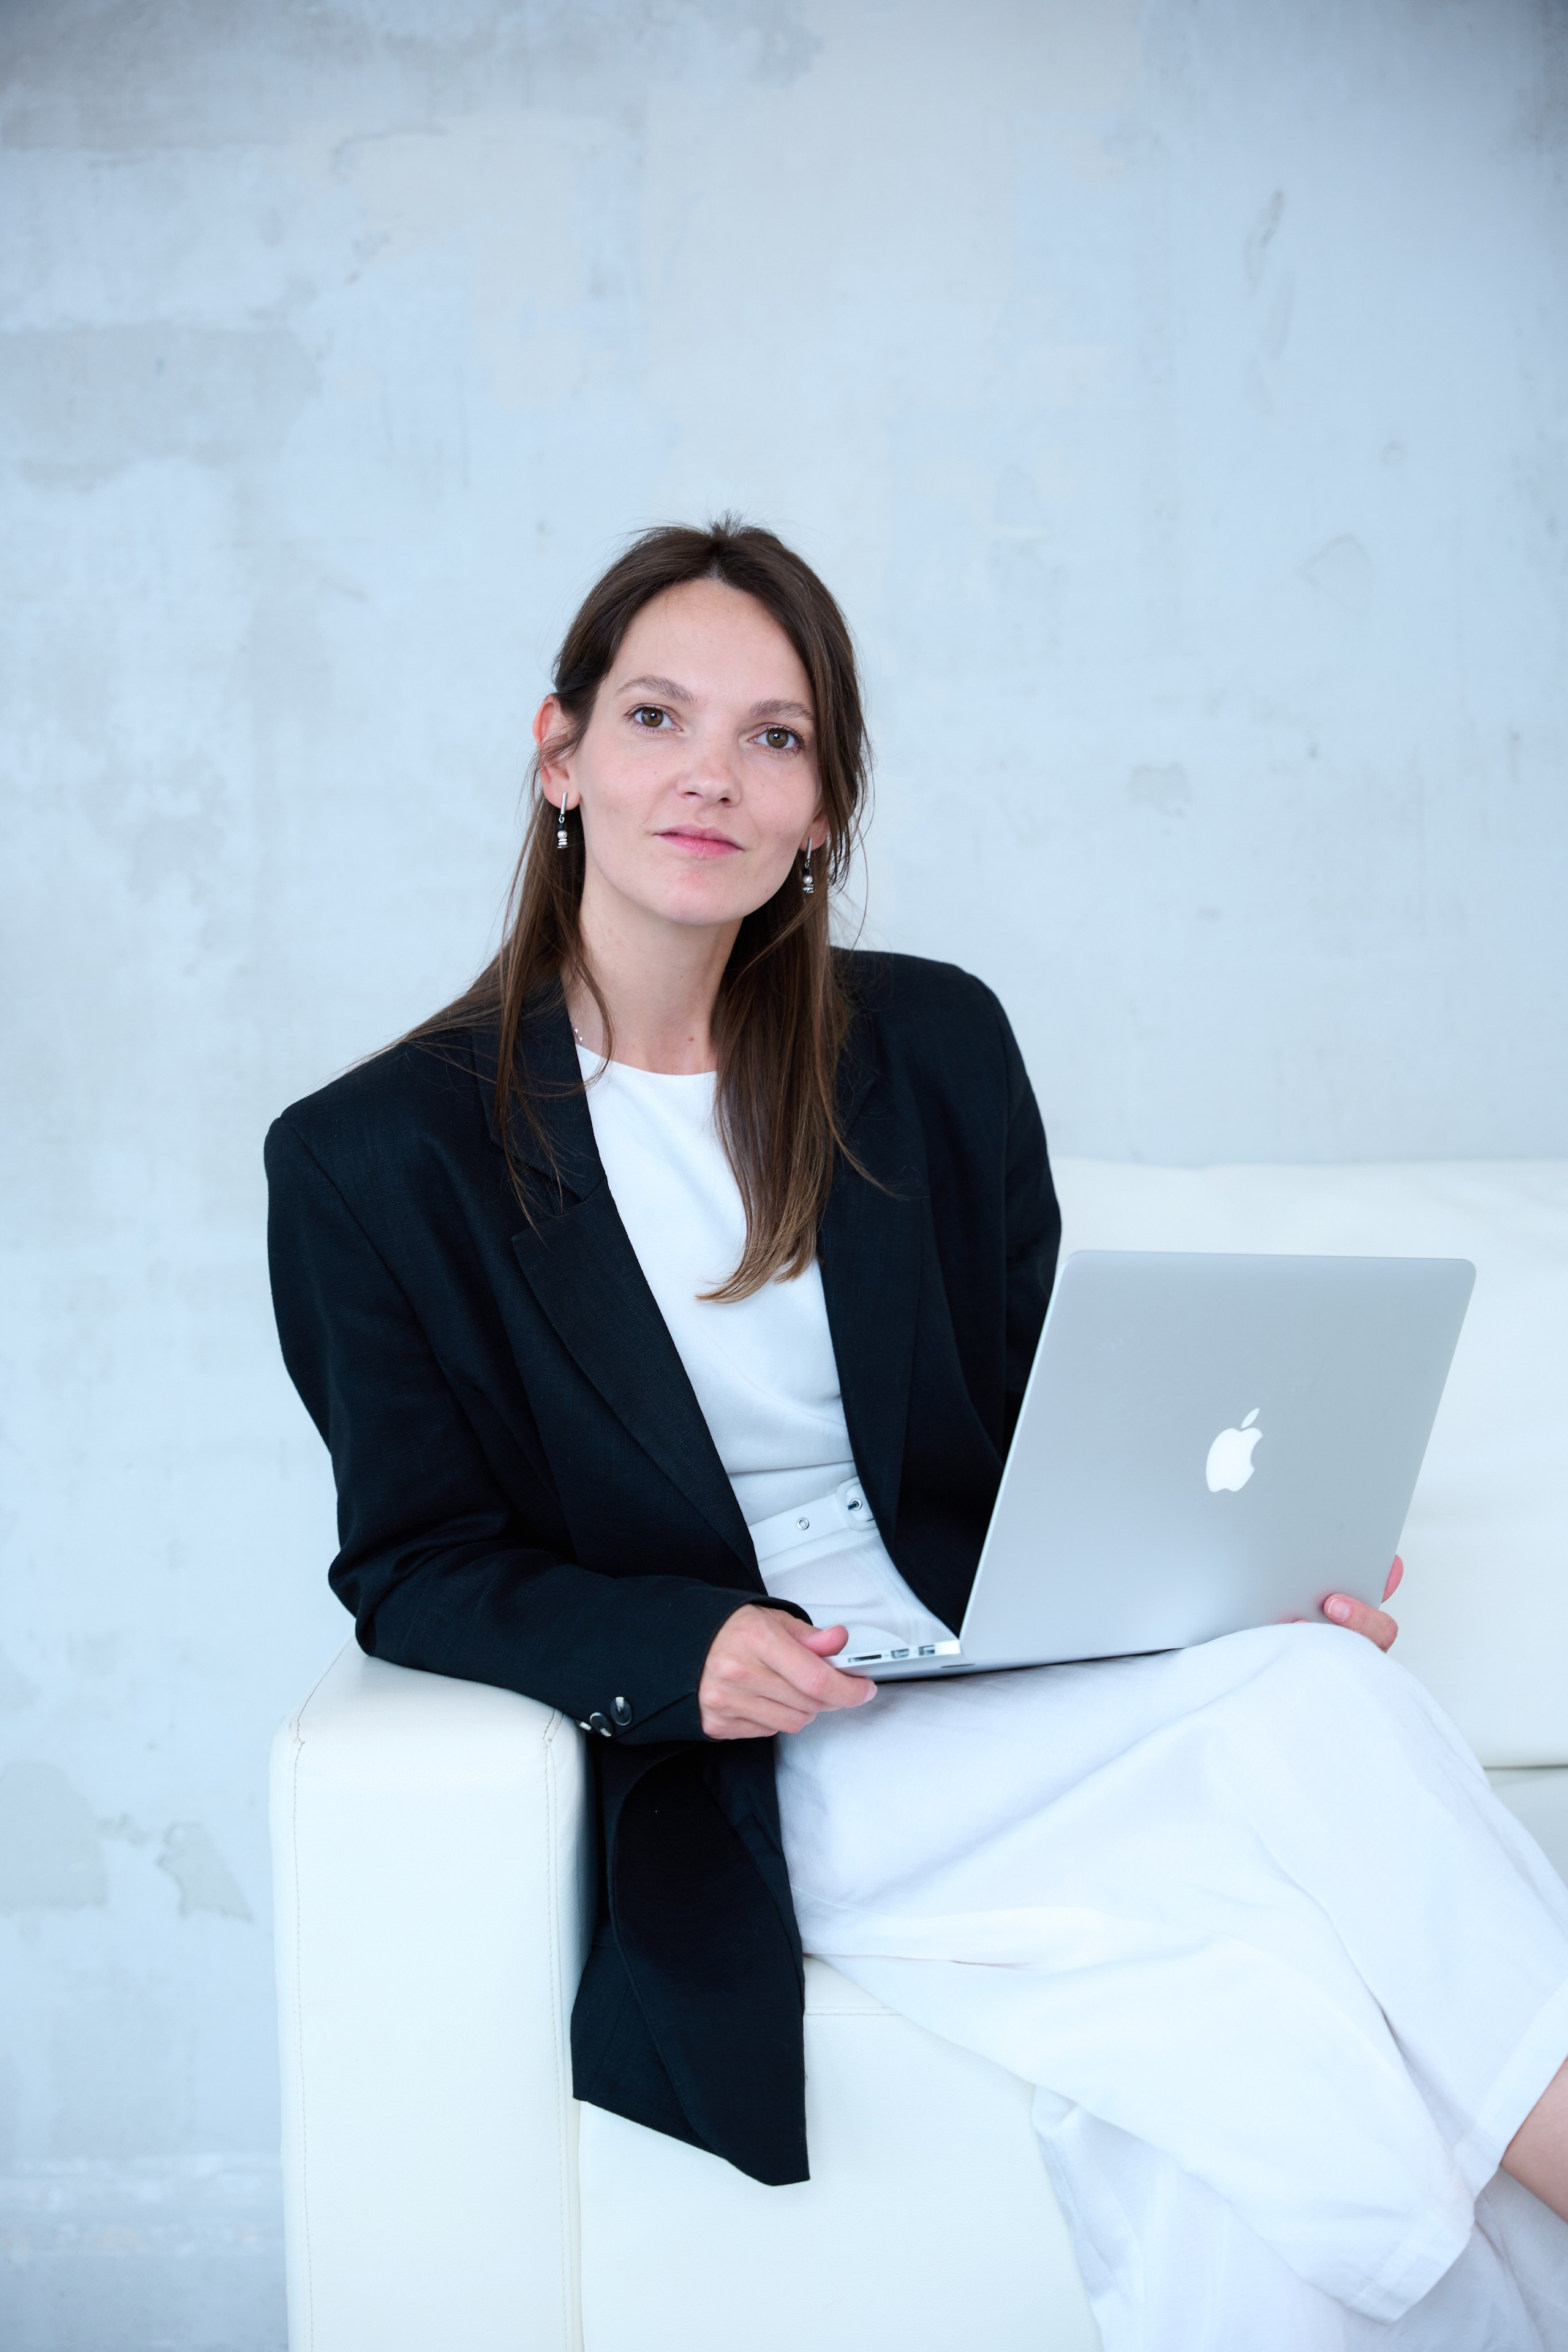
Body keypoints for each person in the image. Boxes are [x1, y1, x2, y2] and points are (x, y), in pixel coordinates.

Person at [266, 519, 1568, 2349]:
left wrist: (1241, 1577)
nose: (712, 773)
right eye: (659, 717)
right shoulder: (370, 1158)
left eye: (777, 738)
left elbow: (1054, 1419)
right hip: (782, 1749)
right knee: (1315, 1723)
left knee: (1251, 2019)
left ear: (825, 808)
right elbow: (412, 1561)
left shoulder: (931, 1044)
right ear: (562, 756)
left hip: (1009, 1656)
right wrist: (676, 1650)